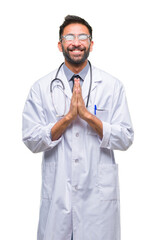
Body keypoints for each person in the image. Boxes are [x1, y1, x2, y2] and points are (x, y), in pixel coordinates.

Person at [22, 15, 134, 240]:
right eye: (69, 37)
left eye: (83, 37)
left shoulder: (112, 86)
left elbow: (126, 137)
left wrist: (87, 117)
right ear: (60, 44)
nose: (76, 42)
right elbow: (31, 139)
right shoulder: (41, 87)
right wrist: (67, 119)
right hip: (58, 199)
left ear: (91, 44)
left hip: (97, 204)